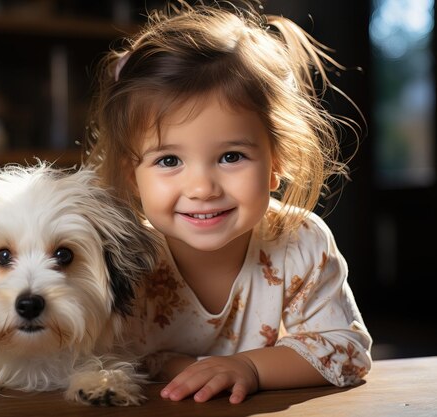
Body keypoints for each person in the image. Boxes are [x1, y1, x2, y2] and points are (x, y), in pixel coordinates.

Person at [82, 0, 372, 405]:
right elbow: (101, 360)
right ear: (134, 176)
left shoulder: (299, 242)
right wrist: (179, 368)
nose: (202, 188)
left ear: (277, 163)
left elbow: (346, 351)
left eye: (231, 156)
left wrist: (251, 367)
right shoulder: (129, 257)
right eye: (169, 160)